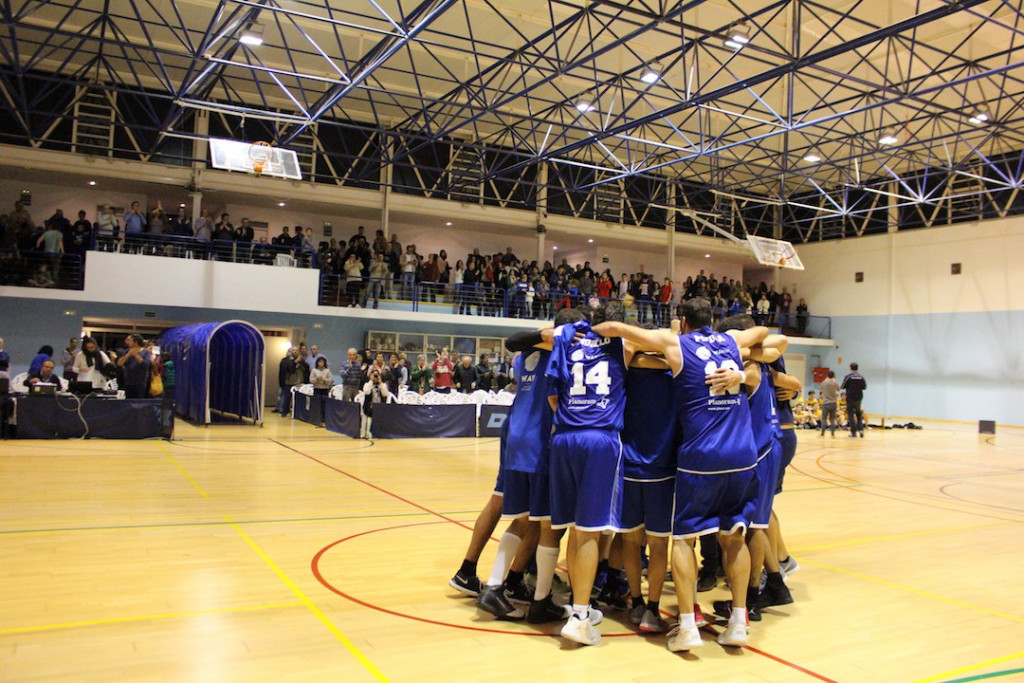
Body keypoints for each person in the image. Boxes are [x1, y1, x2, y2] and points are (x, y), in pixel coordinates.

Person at [592, 298, 773, 651]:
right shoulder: (732, 343)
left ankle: (687, 626)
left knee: (682, 541)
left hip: (701, 456)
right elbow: (765, 331)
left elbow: (616, 330)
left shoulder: (677, 344)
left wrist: (584, 331)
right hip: (743, 454)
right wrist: (740, 374)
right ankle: (738, 621)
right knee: (734, 536)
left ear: (684, 321)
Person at [543, 302, 631, 646]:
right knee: (591, 531)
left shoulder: (566, 338)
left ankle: (576, 603)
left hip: (564, 437)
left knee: (577, 532)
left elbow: (553, 398)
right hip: (600, 439)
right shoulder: (625, 345)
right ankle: (580, 615)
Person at [117, 334, 152, 399]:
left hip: (140, 382)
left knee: (139, 402)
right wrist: (128, 355)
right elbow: (119, 363)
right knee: (128, 401)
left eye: (130, 340)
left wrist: (136, 355)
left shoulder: (145, 352)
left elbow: (145, 365)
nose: (128, 342)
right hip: (128, 381)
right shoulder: (127, 351)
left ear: (136, 342)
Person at [360, 368, 390, 439]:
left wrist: (380, 382)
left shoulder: (383, 385)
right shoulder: (367, 384)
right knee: (367, 413)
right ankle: (366, 432)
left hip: (380, 406)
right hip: (369, 406)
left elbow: (385, 394)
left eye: (377, 375)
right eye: (374, 375)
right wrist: (371, 380)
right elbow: (366, 392)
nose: (375, 377)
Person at [842, 362, 868, 437]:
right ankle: (861, 430)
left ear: (850, 368)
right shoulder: (861, 377)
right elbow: (864, 387)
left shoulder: (848, 377)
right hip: (859, 397)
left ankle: (853, 433)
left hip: (850, 397)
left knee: (850, 415)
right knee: (859, 414)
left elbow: (843, 386)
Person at [276, 347, 300, 415]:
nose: (295, 352)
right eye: (293, 350)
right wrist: (295, 362)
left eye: (296, 350)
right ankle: (283, 411)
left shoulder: (301, 360)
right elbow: (290, 369)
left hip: (297, 382)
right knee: (285, 397)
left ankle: (295, 413)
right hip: (287, 382)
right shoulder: (285, 360)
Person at [309, 357, 333, 423]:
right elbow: (311, 380)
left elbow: (331, 380)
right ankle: (316, 417)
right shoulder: (314, 370)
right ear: (317, 363)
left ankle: (324, 417)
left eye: (322, 362)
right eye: (319, 362)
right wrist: (317, 379)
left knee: (324, 404)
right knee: (316, 404)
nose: (321, 363)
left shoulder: (327, 371)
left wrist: (324, 380)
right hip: (317, 389)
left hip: (325, 389)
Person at [820, 370, 840, 437]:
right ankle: (833, 432)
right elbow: (838, 389)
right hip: (833, 402)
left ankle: (822, 432)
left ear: (827, 375)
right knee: (832, 419)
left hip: (825, 402)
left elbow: (821, 389)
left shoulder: (824, 383)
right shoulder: (835, 383)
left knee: (824, 418)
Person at [160, 352, 176, 437]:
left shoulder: (165, 365)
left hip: (166, 385)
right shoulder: (172, 364)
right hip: (172, 384)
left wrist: (161, 378)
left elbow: (165, 375)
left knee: (165, 402)